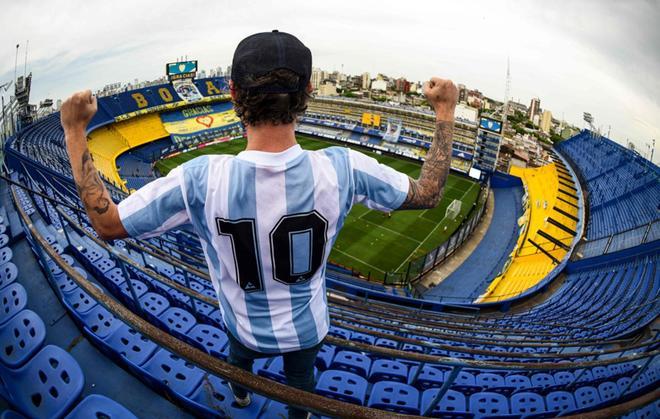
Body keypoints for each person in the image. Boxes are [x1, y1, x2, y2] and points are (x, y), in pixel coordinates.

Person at [61, 30, 457, 419]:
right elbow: (428, 193)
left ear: (233, 93)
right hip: (307, 329)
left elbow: (109, 224)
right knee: (301, 381)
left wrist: (75, 130)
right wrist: (445, 112)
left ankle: (241, 396)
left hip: (242, 325)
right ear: (307, 96)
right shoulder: (344, 167)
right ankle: (297, 414)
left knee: (238, 363)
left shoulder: (199, 179)